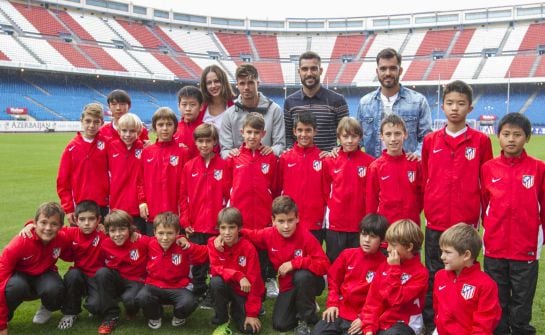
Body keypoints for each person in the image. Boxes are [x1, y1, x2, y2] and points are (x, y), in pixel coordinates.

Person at [421, 80, 493, 332]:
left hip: (466, 227)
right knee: (434, 277)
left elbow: (486, 184)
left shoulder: (481, 141)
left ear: (470, 108)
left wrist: (483, 221)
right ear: (442, 106)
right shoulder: (430, 141)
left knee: (467, 278)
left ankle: (467, 325)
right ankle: (433, 326)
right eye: (450, 103)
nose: (455, 108)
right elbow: (426, 175)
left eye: (461, 104)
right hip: (436, 223)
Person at [481, 112, 545, 335]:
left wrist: (539, 238)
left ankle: (520, 330)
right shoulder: (488, 168)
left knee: (521, 302)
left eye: (517, 135)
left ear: (527, 138)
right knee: (496, 301)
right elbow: (484, 204)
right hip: (494, 248)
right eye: (506, 134)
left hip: (525, 249)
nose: (511, 139)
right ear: (498, 136)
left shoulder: (539, 168)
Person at [235, 196, 330, 335]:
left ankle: (306, 318)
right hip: (287, 286)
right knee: (280, 324)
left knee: (301, 276)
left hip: (311, 282)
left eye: (290, 220)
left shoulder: (306, 236)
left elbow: (325, 265)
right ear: (273, 221)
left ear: (297, 218)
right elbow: (249, 234)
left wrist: (294, 263)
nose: (286, 226)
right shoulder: (268, 234)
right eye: (281, 221)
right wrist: (224, 235)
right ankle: (302, 304)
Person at [226, 112, 278, 298]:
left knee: (264, 251)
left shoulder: (270, 158)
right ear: (242, 132)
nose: (252, 136)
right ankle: (240, 280)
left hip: (264, 215)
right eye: (249, 132)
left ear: (263, 134)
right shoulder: (234, 158)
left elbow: (275, 187)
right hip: (242, 216)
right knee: (243, 250)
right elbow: (227, 187)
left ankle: (268, 279)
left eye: (256, 132)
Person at [179, 123, 230, 306]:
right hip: (196, 224)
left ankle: (213, 293)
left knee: (216, 261)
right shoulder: (189, 166)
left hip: (216, 225)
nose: (204, 145)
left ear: (215, 142)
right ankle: (199, 289)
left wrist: (224, 223)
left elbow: (229, 196)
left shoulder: (224, 165)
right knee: (198, 261)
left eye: (208, 141)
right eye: (200, 141)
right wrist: (185, 221)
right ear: (195, 142)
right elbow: (183, 197)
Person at [312, 214, 388, 335]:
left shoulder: (385, 265)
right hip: (340, 310)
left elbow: (382, 299)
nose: (367, 240)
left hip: (362, 317)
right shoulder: (347, 255)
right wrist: (332, 303)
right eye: (364, 234)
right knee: (317, 332)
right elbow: (333, 280)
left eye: (372, 236)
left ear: (383, 240)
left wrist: (365, 318)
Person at [0, 202, 68, 335]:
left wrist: (99, 228)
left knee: (54, 289)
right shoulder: (20, 243)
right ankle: (6, 316)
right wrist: (1, 325)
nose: (48, 228)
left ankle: (47, 307)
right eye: (43, 222)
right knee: (14, 287)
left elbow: (80, 234)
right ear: (35, 223)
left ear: (60, 226)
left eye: (54, 224)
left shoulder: (62, 238)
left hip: (45, 274)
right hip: (19, 277)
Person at [135, 212, 208, 330]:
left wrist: (189, 246)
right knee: (141, 297)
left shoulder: (182, 245)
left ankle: (179, 316)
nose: (165, 238)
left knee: (190, 302)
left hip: (178, 287)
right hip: (154, 285)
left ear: (177, 233)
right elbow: (132, 236)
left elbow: (205, 253)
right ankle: (155, 315)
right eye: (161, 233)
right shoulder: (150, 243)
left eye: (170, 233)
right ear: (154, 233)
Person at [357, 48, 432, 160]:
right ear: (377, 71)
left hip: (406, 170)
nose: (388, 73)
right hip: (374, 170)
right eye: (383, 69)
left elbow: (427, 138)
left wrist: (417, 154)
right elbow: (359, 140)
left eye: (392, 68)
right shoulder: (365, 103)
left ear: (400, 70)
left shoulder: (418, 101)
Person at [361, 219, 428, 335]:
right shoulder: (385, 266)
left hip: (405, 325)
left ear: (409, 247)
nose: (388, 249)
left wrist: (395, 269)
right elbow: (373, 301)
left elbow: (396, 300)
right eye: (388, 244)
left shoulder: (420, 273)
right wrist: (369, 328)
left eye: (393, 245)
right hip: (382, 323)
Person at [433, 223, 501, 334]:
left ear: (466, 255)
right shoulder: (440, 276)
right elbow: (437, 309)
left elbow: (484, 325)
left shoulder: (486, 285)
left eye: (447, 252)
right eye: (442, 251)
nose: (442, 257)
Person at [323, 116, 374, 261]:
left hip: (359, 224)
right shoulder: (329, 161)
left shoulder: (370, 162)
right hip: (336, 224)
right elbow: (325, 191)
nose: (350, 141)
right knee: (335, 262)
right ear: (339, 137)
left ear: (360, 137)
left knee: (358, 263)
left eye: (354, 136)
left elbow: (372, 194)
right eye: (345, 136)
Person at [208, 207, 264, 335]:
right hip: (226, 287)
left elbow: (255, 283)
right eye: (223, 228)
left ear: (239, 229)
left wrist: (251, 314)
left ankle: (239, 309)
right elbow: (215, 268)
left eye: (232, 227)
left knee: (250, 330)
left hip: (244, 292)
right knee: (215, 282)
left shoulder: (248, 248)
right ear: (218, 229)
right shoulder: (213, 244)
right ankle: (221, 318)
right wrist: (238, 275)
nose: (227, 232)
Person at [94, 210, 150, 335]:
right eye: (113, 231)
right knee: (102, 273)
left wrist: (181, 238)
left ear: (130, 229)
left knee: (129, 300)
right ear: (107, 231)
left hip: (136, 280)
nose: (117, 234)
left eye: (122, 230)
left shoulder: (141, 240)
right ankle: (111, 316)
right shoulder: (105, 244)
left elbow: (163, 240)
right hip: (117, 279)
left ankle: (132, 309)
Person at [277, 110, 328, 243]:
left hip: (314, 221)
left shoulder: (323, 159)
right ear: (294, 131)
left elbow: (327, 191)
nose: (303, 134)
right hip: (290, 221)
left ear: (315, 131)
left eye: (308, 130)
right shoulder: (285, 158)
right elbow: (277, 189)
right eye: (300, 130)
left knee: (312, 261)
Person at [137, 107, 189, 235]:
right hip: (153, 213)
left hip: (175, 214)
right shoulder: (147, 152)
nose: (165, 128)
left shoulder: (183, 152)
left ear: (175, 127)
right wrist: (142, 202)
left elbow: (187, 185)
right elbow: (140, 181)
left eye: (169, 124)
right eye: (160, 125)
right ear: (154, 127)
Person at [284, 51, 349, 152]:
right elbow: (288, 136)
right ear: (299, 71)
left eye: (314, 68)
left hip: (328, 163)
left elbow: (346, 133)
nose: (309, 73)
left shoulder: (338, 100)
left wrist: (337, 150)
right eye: (305, 69)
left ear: (321, 70)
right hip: (300, 164)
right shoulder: (289, 102)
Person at [366, 114, 423, 226]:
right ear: (381, 136)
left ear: (405, 135)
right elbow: (371, 202)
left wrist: (412, 213)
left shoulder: (415, 164)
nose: (393, 139)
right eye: (388, 134)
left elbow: (422, 196)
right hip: (386, 228)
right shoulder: (375, 167)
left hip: (410, 227)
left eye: (397, 133)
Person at [57, 102, 109, 224]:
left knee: (104, 242)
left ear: (101, 123)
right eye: (88, 121)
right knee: (79, 242)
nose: (92, 125)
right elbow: (62, 182)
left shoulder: (108, 144)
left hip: (103, 206)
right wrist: (68, 208)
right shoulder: (71, 147)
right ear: (82, 120)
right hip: (79, 207)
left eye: (96, 122)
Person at [219, 63, 285, 159]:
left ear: (257, 83)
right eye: (242, 83)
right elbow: (225, 150)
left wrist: (272, 150)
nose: (246, 87)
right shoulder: (229, 114)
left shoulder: (275, 110)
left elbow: (280, 145)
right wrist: (231, 153)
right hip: (240, 167)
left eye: (250, 83)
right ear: (237, 85)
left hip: (265, 166)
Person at [107, 113, 146, 234]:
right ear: (118, 130)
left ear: (139, 131)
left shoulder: (145, 149)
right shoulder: (110, 147)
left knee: (137, 241)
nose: (128, 135)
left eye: (132, 131)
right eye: (124, 130)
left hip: (138, 207)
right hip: (117, 205)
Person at [200, 64, 235, 130]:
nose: (213, 86)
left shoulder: (234, 109)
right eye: (209, 83)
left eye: (216, 81)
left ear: (224, 82)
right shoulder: (200, 108)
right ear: (205, 86)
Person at [174, 86, 204, 159]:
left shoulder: (207, 130)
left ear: (201, 107)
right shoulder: (173, 129)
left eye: (192, 105)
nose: (188, 109)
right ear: (178, 106)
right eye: (184, 104)